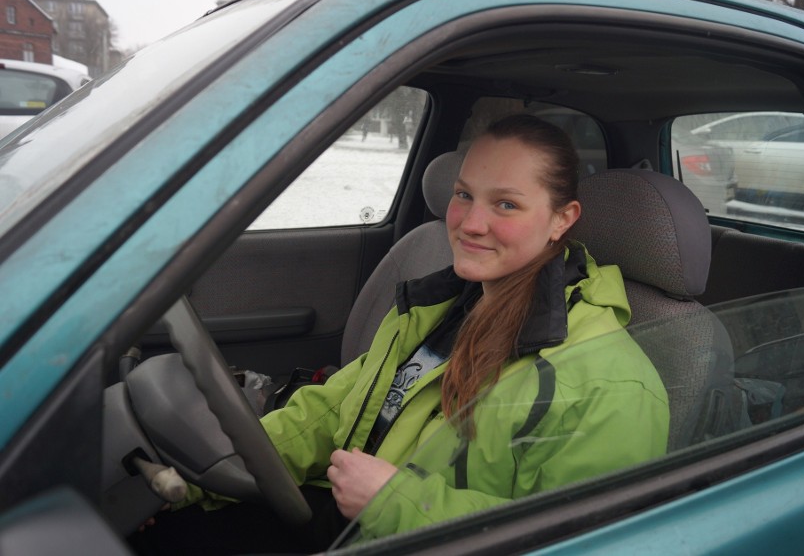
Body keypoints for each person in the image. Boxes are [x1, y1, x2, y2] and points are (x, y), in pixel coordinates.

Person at [135, 114, 669, 554]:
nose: (471, 223)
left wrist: (395, 503)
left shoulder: (610, 384)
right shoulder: (437, 306)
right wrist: (202, 477)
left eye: (506, 204)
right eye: (464, 195)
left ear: (561, 219)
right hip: (345, 525)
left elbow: (581, 539)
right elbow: (331, 411)